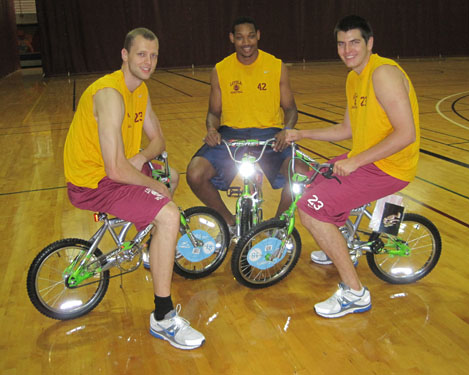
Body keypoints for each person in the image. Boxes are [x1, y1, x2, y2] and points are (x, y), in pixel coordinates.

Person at [63, 27, 204, 349]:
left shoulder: (140, 89)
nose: (149, 62)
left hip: (114, 172)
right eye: (142, 54)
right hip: (93, 183)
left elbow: (159, 140)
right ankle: (163, 316)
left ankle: (151, 250)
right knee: (168, 214)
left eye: (154, 56)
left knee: (172, 176)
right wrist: (150, 180)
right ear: (125, 55)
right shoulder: (110, 95)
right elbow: (114, 168)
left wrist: (141, 158)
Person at [285, 15, 420, 318]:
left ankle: (355, 293)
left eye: (354, 42)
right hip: (367, 159)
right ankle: (342, 245)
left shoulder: (382, 73)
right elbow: (346, 128)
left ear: (370, 43)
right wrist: (302, 133)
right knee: (313, 179)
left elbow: (406, 133)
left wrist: (355, 161)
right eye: (341, 44)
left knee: (310, 210)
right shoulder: (354, 77)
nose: (347, 50)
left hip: (389, 167)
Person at [186, 16, 307, 232]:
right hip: (231, 135)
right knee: (195, 174)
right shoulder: (221, 70)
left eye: (251, 36)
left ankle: (277, 224)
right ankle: (229, 222)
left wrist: (286, 130)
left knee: (300, 172)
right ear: (232, 39)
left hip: (270, 136)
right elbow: (214, 113)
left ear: (258, 35)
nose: (246, 42)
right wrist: (211, 129)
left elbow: (291, 109)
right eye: (240, 38)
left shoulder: (276, 66)